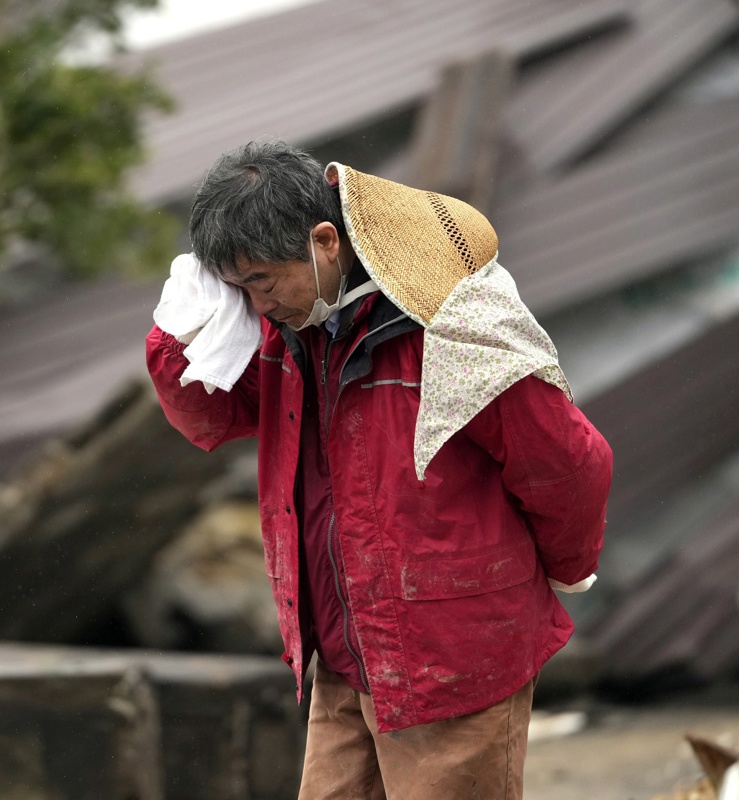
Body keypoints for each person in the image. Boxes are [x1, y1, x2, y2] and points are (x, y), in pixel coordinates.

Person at [145, 140, 612, 799]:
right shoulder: (291, 326)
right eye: (237, 289)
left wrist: (563, 568)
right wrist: (178, 332)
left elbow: (570, 462)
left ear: (325, 240)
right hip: (345, 653)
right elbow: (211, 415)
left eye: (261, 281)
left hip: (451, 657)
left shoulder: (453, 323)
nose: (254, 304)